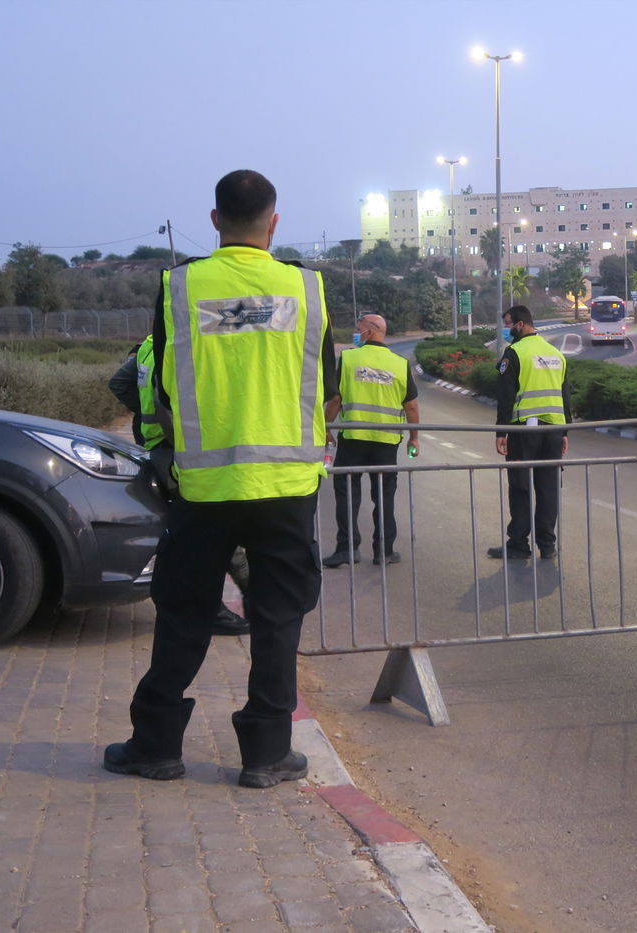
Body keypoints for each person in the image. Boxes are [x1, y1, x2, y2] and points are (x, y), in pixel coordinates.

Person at [104, 169, 339, 788]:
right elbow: (330, 387)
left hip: (204, 488)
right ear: (274, 221)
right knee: (277, 618)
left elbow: (157, 385)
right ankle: (265, 754)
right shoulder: (308, 289)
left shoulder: (180, 287)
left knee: (183, 613)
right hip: (288, 488)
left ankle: (155, 746)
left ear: (214, 220)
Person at [109, 335, 251, 636]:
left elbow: (120, 383)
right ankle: (223, 608)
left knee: (191, 530)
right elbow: (170, 403)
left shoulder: (149, 345)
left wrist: (145, 417)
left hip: (162, 450)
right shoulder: (176, 344)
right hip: (182, 453)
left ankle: (198, 603)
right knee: (214, 531)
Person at [322, 313, 420, 567]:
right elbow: (411, 406)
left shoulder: (349, 359)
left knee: (346, 494)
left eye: (358, 328)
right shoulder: (399, 363)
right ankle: (383, 552)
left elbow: (335, 399)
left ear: (371, 330)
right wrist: (414, 438)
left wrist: (327, 428)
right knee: (384, 496)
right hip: (386, 442)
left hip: (353, 439)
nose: (356, 333)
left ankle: (347, 549)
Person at [489, 305, 570, 560]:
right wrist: (565, 431)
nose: (506, 330)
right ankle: (547, 546)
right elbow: (565, 396)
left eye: (508, 324)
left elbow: (505, 396)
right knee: (548, 488)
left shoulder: (514, 353)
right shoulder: (556, 354)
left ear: (520, 324)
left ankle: (518, 544)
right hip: (554, 430)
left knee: (520, 486)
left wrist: (501, 432)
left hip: (524, 431)